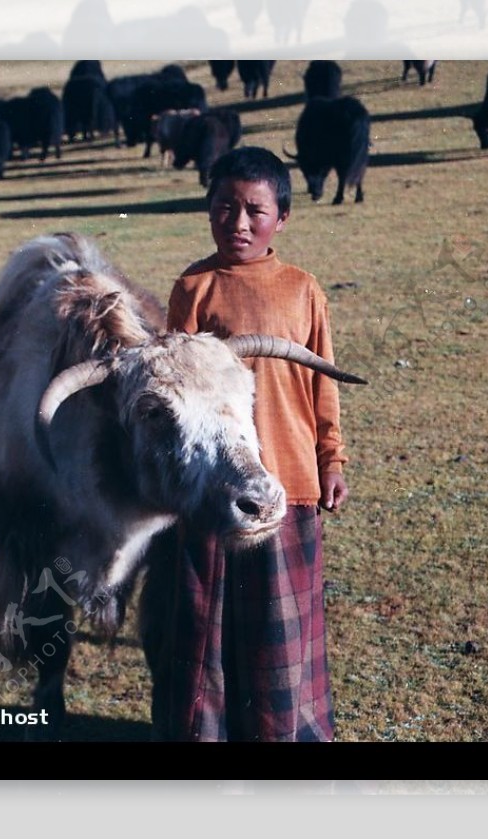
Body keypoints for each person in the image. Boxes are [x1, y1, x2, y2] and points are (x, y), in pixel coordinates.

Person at [152, 146, 351, 741]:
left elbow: (322, 382)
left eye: (254, 210)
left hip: (289, 482)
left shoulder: (302, 290)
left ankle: (284, 734)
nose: (238, 223)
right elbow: (176, 391)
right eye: (223, 207)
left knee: (281, 631)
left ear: (281, 218)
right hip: (214, 489)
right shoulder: (194, 288)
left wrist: (331, 460)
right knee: (207, 629)